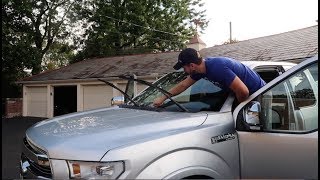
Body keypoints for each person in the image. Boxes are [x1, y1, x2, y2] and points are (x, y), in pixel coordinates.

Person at [153, 48, 266, 107]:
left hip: (260, 93)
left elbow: (243, 91)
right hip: (247, 94)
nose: (184, 70)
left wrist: (239, 108)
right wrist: (162, 98)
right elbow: (183, 85)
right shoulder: (200, 70)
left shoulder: (217, 68)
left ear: (192, 65)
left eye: (184, 67)